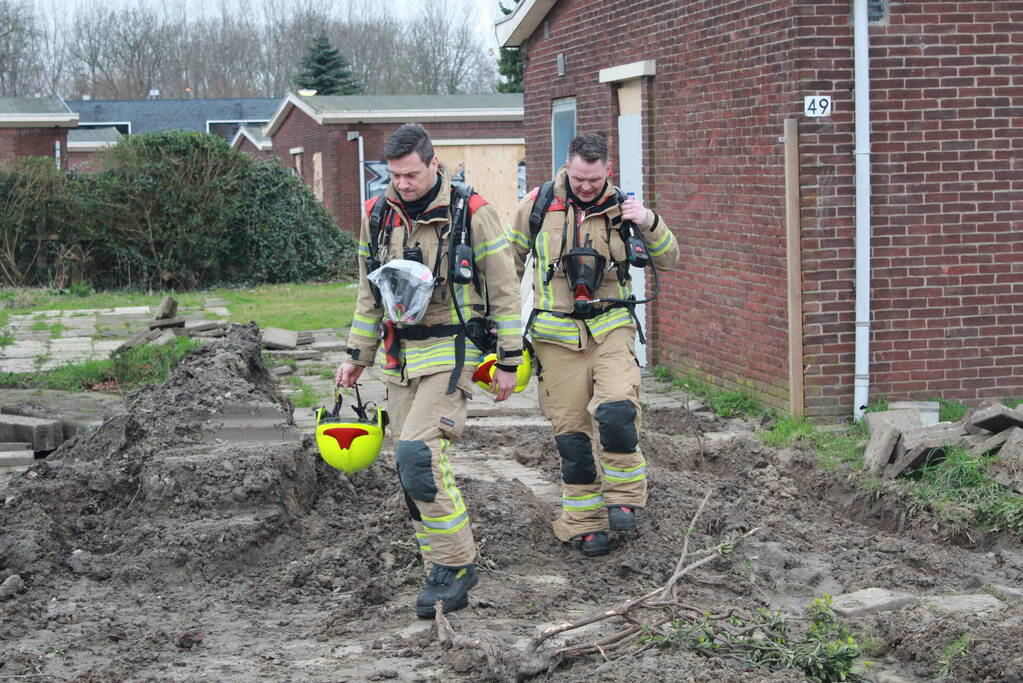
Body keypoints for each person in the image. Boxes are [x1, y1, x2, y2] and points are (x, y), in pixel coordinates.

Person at [336, 123, 523, 618]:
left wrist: (509, 359)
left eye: (412, 175)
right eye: (394, 176)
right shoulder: (377, 215)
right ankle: (438, 564)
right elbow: (367, 291)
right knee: (406, 467)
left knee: (418, 455)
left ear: (434, 164)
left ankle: (458, 565)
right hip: (400, 357)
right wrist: (357, 356)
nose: (403, 184)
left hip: (453, 348)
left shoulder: (473, 214)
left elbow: (505, 291)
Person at [508, 132, 679, 557]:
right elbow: (506, 263)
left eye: (595, 179)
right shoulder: (538, 205)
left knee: (618, 408)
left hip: (611, 326)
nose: (586, 186)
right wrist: (497, 324)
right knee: (573, 440)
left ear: (608, 171)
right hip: (554, 336)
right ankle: (585, 524)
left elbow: (671, 257)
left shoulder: (625, 208)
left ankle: (625, 496)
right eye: (579, 178)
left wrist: (648, 220)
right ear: (567, 166)